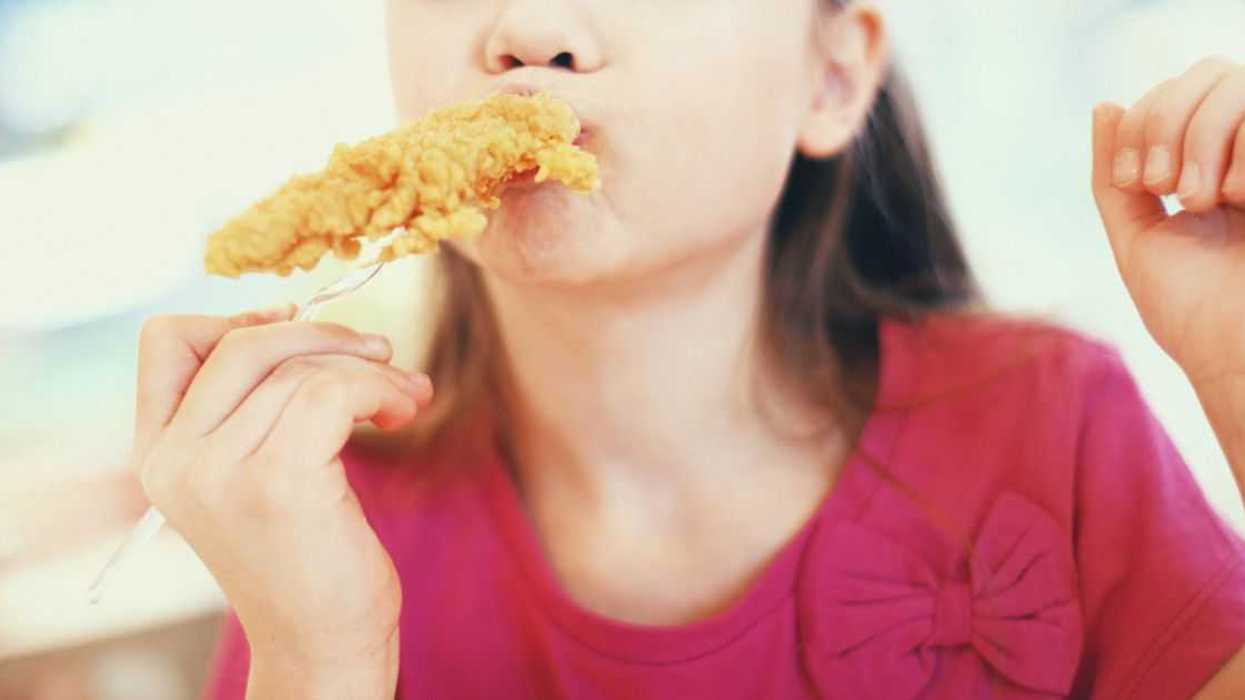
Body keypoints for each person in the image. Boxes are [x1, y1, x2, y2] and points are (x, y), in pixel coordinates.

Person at [129, 1, 1245, 697]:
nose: (528, 30)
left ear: (831, 75)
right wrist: (320, 665)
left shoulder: (1052, 423)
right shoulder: (324, 531)